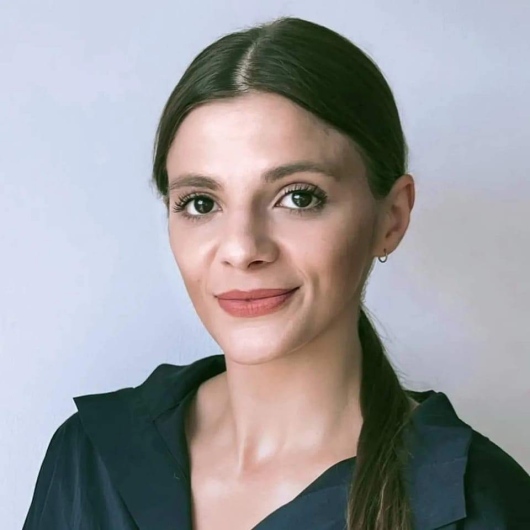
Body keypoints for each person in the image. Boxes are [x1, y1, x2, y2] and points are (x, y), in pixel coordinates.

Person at [23, 16, 530, 530]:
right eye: (201, 203)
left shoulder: (481, 506)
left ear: (392, 218)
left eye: (299, 197)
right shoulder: (91, 458)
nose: (242, 249)